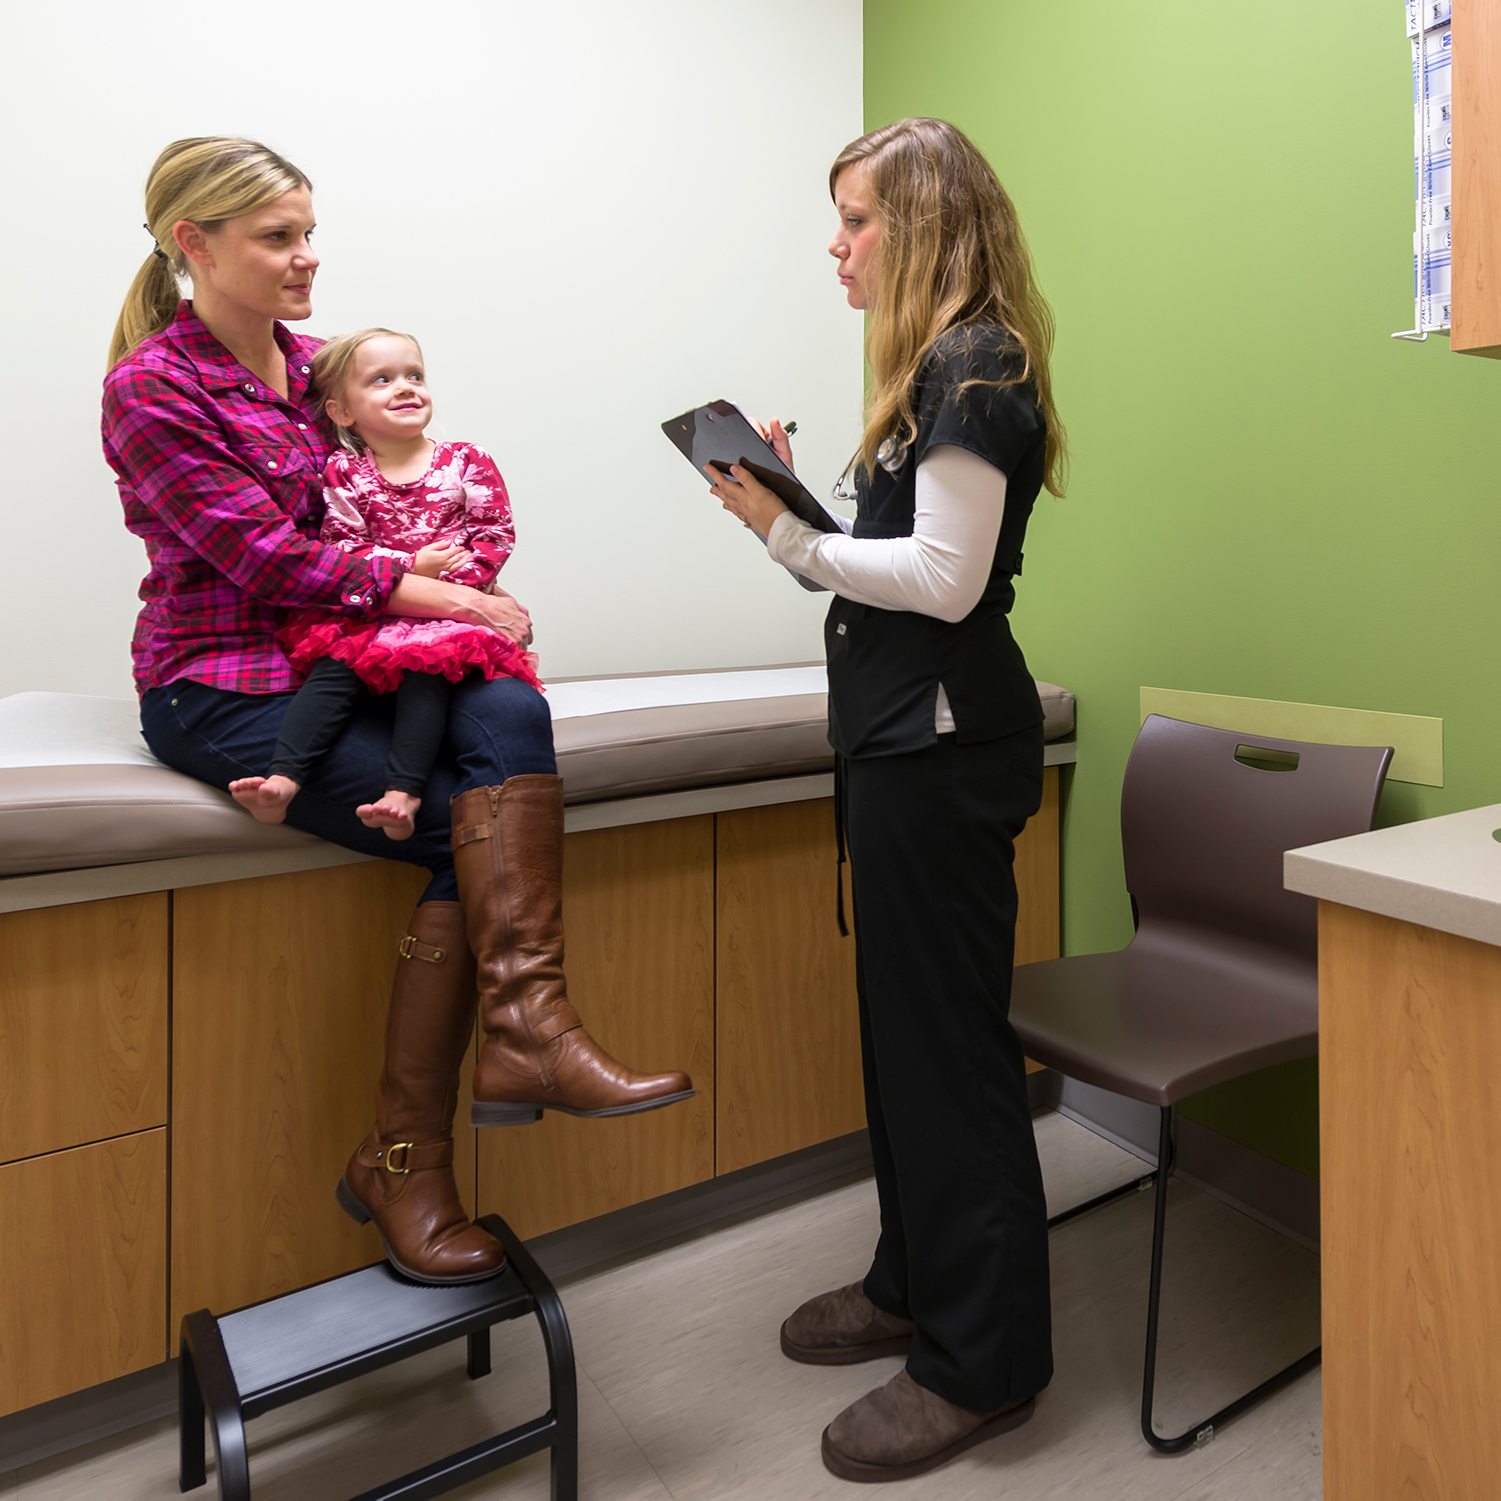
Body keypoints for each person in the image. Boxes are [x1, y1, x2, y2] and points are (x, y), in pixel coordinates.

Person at [104, 136, 692, 1289]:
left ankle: (529, 1033)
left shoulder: (326, 370)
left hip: (370, 652)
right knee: (454, 830)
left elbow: (404, 494)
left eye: (309, 231)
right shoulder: (153, 389)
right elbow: (271, 562)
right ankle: (405, 1158)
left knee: (512, 717)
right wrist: (452, 594)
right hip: (227, 680)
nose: (305, 258)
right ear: (195, 245)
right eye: (278, 237)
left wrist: (465, 581)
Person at [706, 117, 1066, 1482]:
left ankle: (985, 1364)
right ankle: (912, 1283)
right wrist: (784, 518)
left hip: (945, 754)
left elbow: (944, 582)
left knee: (954, 1062)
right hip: (900, 751)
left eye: (856, 218)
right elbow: (882, 562)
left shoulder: (977, 365)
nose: (838, 244)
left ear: (920, 224)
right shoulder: (928, 373)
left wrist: (801, 534)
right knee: (903, 1053)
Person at [229, 326, 543, 842]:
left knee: (426, 681)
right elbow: (344, 545)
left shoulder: (466, 460)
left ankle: (402, 792)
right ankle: (283, 780)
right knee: (334, 673)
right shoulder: (345, 470)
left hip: (446, 616)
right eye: (381, 380)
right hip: (376, 608)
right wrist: (412, 566)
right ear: (341, 413)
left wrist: (458, 587)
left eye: (414, 375)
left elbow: (494, 535)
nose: (405, 387)